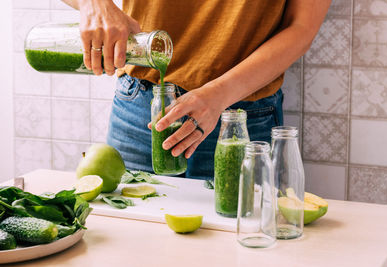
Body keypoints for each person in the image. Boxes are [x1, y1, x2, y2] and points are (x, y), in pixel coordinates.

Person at [63, 0, 331, 179]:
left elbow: (301, 27)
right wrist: (93, 3)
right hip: (140, 110)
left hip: (238, 120)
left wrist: (218, 95)